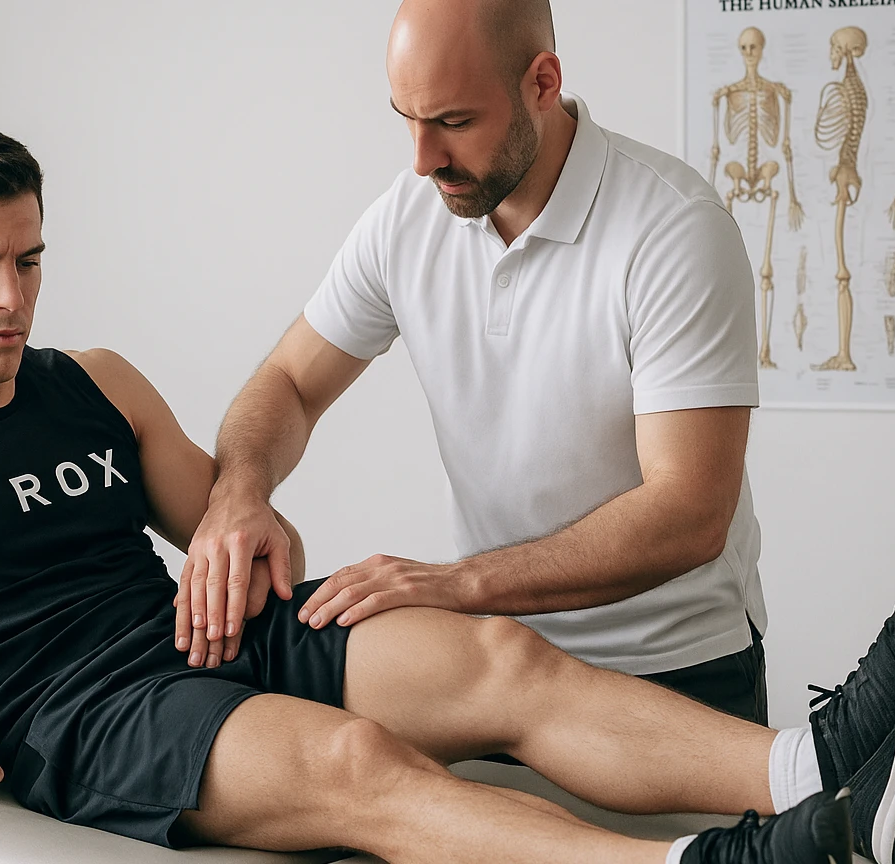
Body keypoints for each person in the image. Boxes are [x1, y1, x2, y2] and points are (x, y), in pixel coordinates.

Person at [0, 120, 895, 864]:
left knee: (492, 654)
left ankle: (818, 762)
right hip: (83, 719)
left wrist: (243, 514)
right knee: (363, 766)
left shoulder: (94, 383)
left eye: (30, 260)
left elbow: (227, 513)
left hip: (214, 635)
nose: (13, 298)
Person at [186, 0, 776, 722]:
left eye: (454, 122)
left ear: (543, 82)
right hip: (496, 661)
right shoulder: (406, 217)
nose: (423, 159)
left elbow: (689, 512)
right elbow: (290, 382)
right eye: (407, 118)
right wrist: (239, 492)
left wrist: (457, 584)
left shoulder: (674, 230)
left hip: (673, 667)